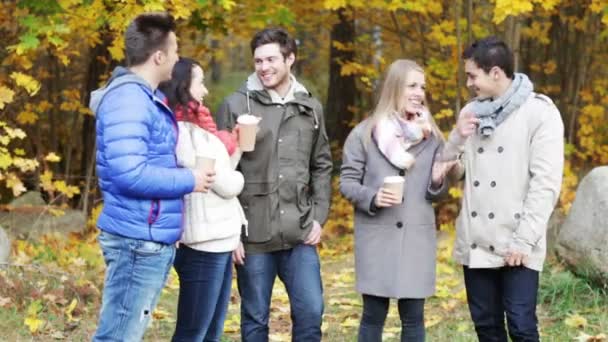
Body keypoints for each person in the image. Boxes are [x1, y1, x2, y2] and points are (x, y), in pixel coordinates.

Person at [89, 13, 214, 341]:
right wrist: (190, 179)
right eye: (174, 50)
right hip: (136, 239)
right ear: (158, 56)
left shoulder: (145, 98)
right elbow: (129, 173)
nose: (176, 57)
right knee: (118, 335)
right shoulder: (129, 100)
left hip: (146, 237)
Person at [215, 27, 333, 341]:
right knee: (254, 320)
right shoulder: (235, 106)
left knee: (311, 313)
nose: (264, 67)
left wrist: (319, 216)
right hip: (252, 236)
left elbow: (321, 165)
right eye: (258, 61)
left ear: (290, 59)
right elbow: (219, 172)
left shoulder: (310, 107)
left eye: (271, 59)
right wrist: (230, 233)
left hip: (299, 233)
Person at [444, 36, 564, 341]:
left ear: (495, 72)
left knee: (522, 327)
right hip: (478, 240)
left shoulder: (540, 113)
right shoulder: (471, 113)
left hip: (518, 242)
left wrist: (523, 241)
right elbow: (450, 171)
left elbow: (546, 184)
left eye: (472, 75)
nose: (468, 82)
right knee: (487, 328)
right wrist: (457, 137)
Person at [340, 59, 455, 342]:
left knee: (414, 318)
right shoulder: (364, 134)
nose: (419, 92)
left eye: (423, 87)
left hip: (417, 238)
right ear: (394, 88)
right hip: (376, 237)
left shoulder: (433, 137)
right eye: (412, 85)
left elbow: (435, 192)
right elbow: (347, 183)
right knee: (373, 315)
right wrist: (373, 196)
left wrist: (439, 179)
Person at [158, 57, 246, 342]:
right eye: (200, 82)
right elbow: (227, 184)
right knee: (193, 332)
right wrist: (237, 179)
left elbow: (219, 174)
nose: (206, 90)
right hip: (202, 244)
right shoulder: (182, 132)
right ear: (183, 86)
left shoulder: (200, 130)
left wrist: (238, 150)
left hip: (219, 239)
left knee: (211, 331)